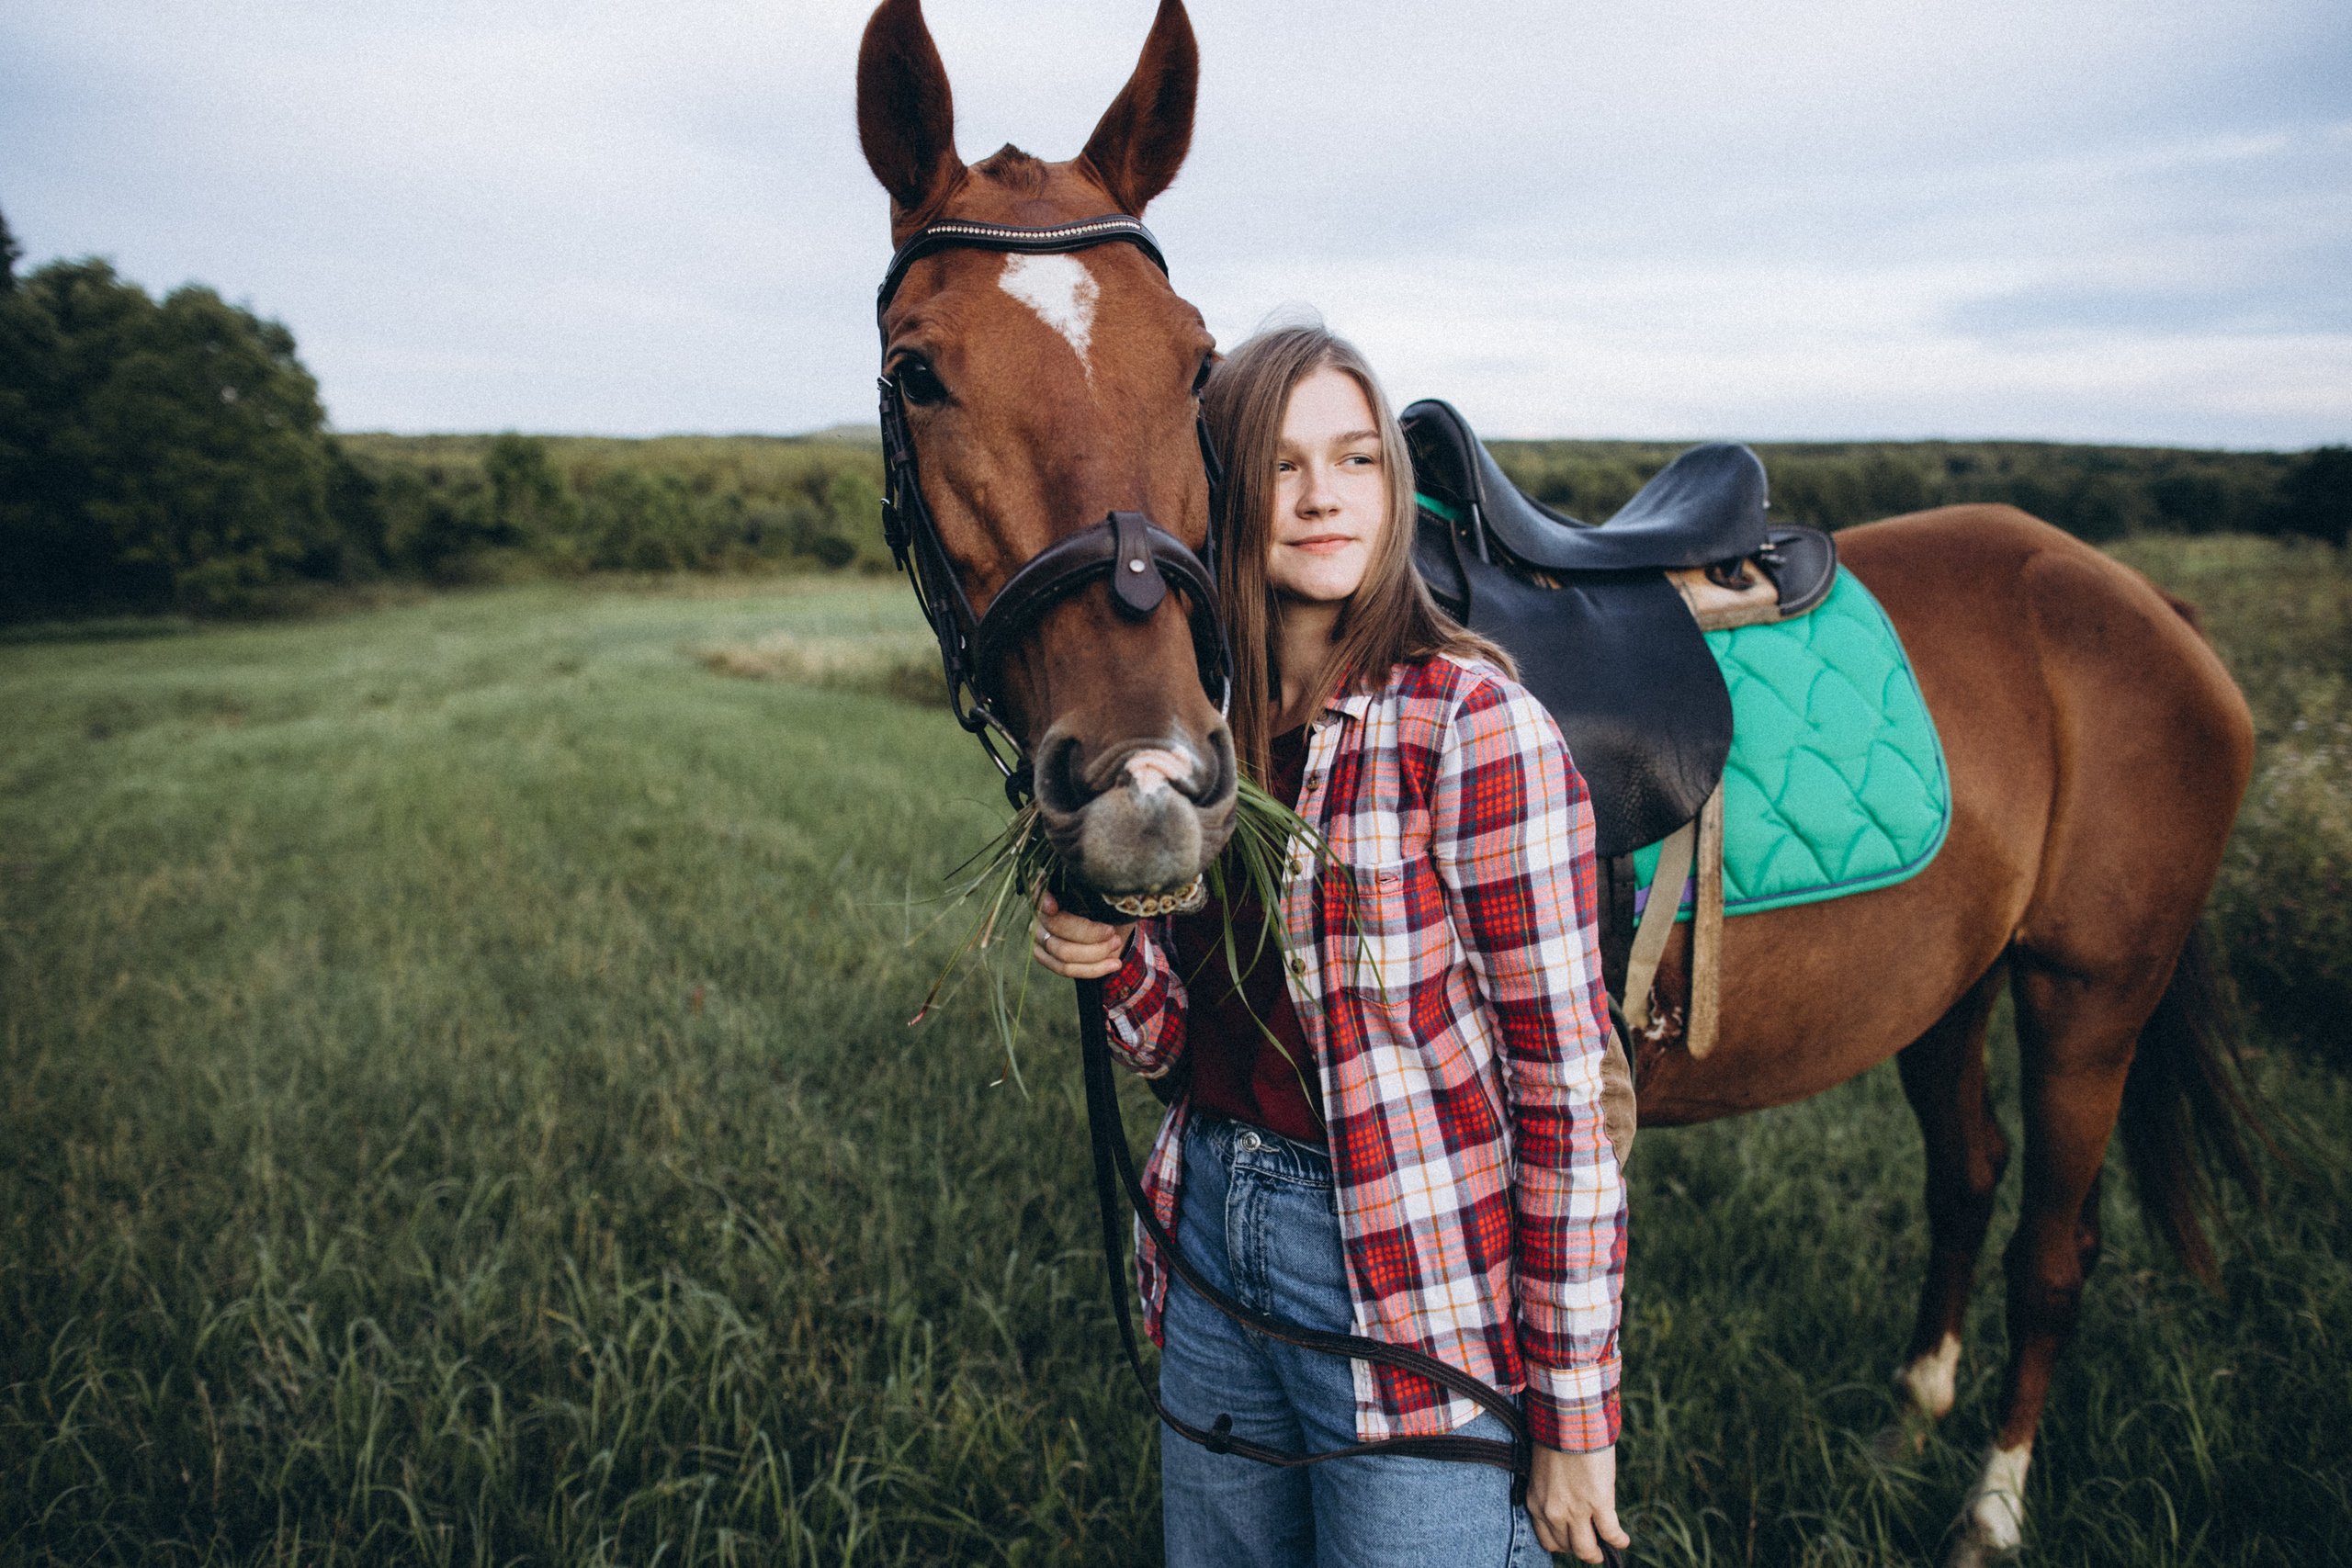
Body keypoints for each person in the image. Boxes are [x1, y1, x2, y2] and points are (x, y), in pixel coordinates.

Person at [1033, 323, 1630, 1567]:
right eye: (1286, 465)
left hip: (1400, 1264)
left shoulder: (1472, 728)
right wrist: (1105, 939)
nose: (1322, 498)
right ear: (1225, 493)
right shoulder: (1208, 737)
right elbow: (1171, 1043)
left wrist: (1576, 1413)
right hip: (1210, 1222)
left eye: (1356, 459)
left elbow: (1566, 1090)